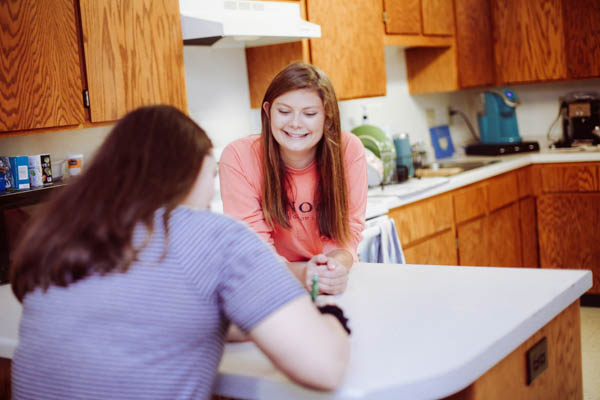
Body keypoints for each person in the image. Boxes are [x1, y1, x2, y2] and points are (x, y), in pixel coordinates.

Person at [9, 106, 350, 399]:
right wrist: (330, 315)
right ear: (194, 171)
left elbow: (150, 315)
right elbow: (325, 367)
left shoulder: (61, 234)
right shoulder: (214, 236)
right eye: (212, 173)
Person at [219, 62, 368, 295]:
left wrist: (335, 266)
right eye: (284, 111)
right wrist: (300, 275)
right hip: (268, 280)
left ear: (327, 116)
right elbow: (254, 247)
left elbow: (350, 229)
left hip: (325, 277)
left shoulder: (348, 149)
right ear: (268, 111)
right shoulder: (238, 156)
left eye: (309, 113)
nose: (295, 123)